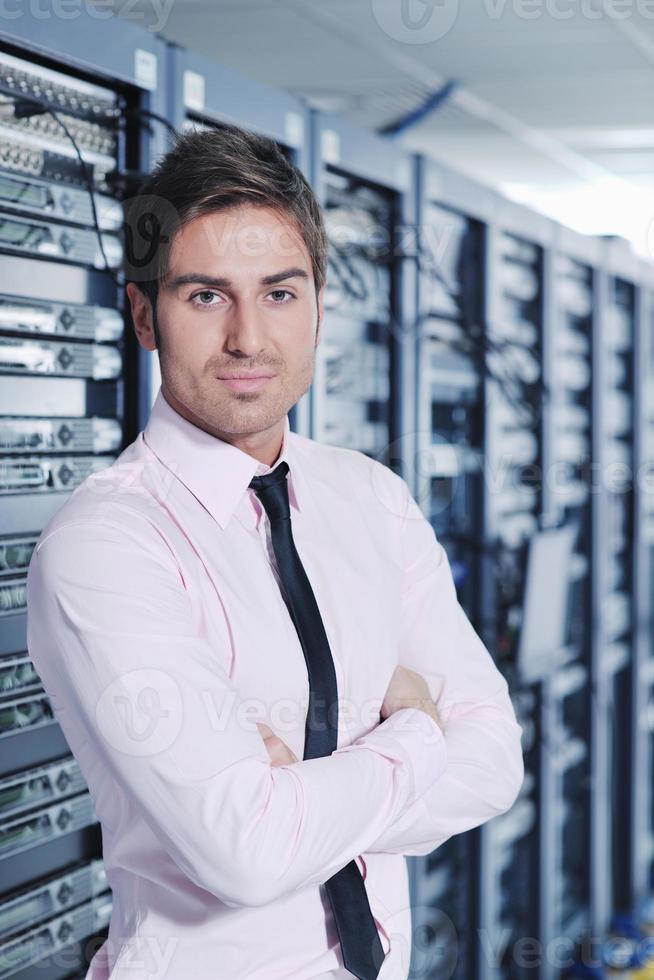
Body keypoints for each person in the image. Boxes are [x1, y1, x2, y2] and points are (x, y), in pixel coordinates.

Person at [26, 124, 524, 980]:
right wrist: (411, 730)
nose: (249, 338)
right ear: (145, 315)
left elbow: (494, 764)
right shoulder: (105, 546)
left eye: (281, 294)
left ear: (320, 308)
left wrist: (306, 788)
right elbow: (247, 851)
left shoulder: (369, 497)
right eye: (206, 296)